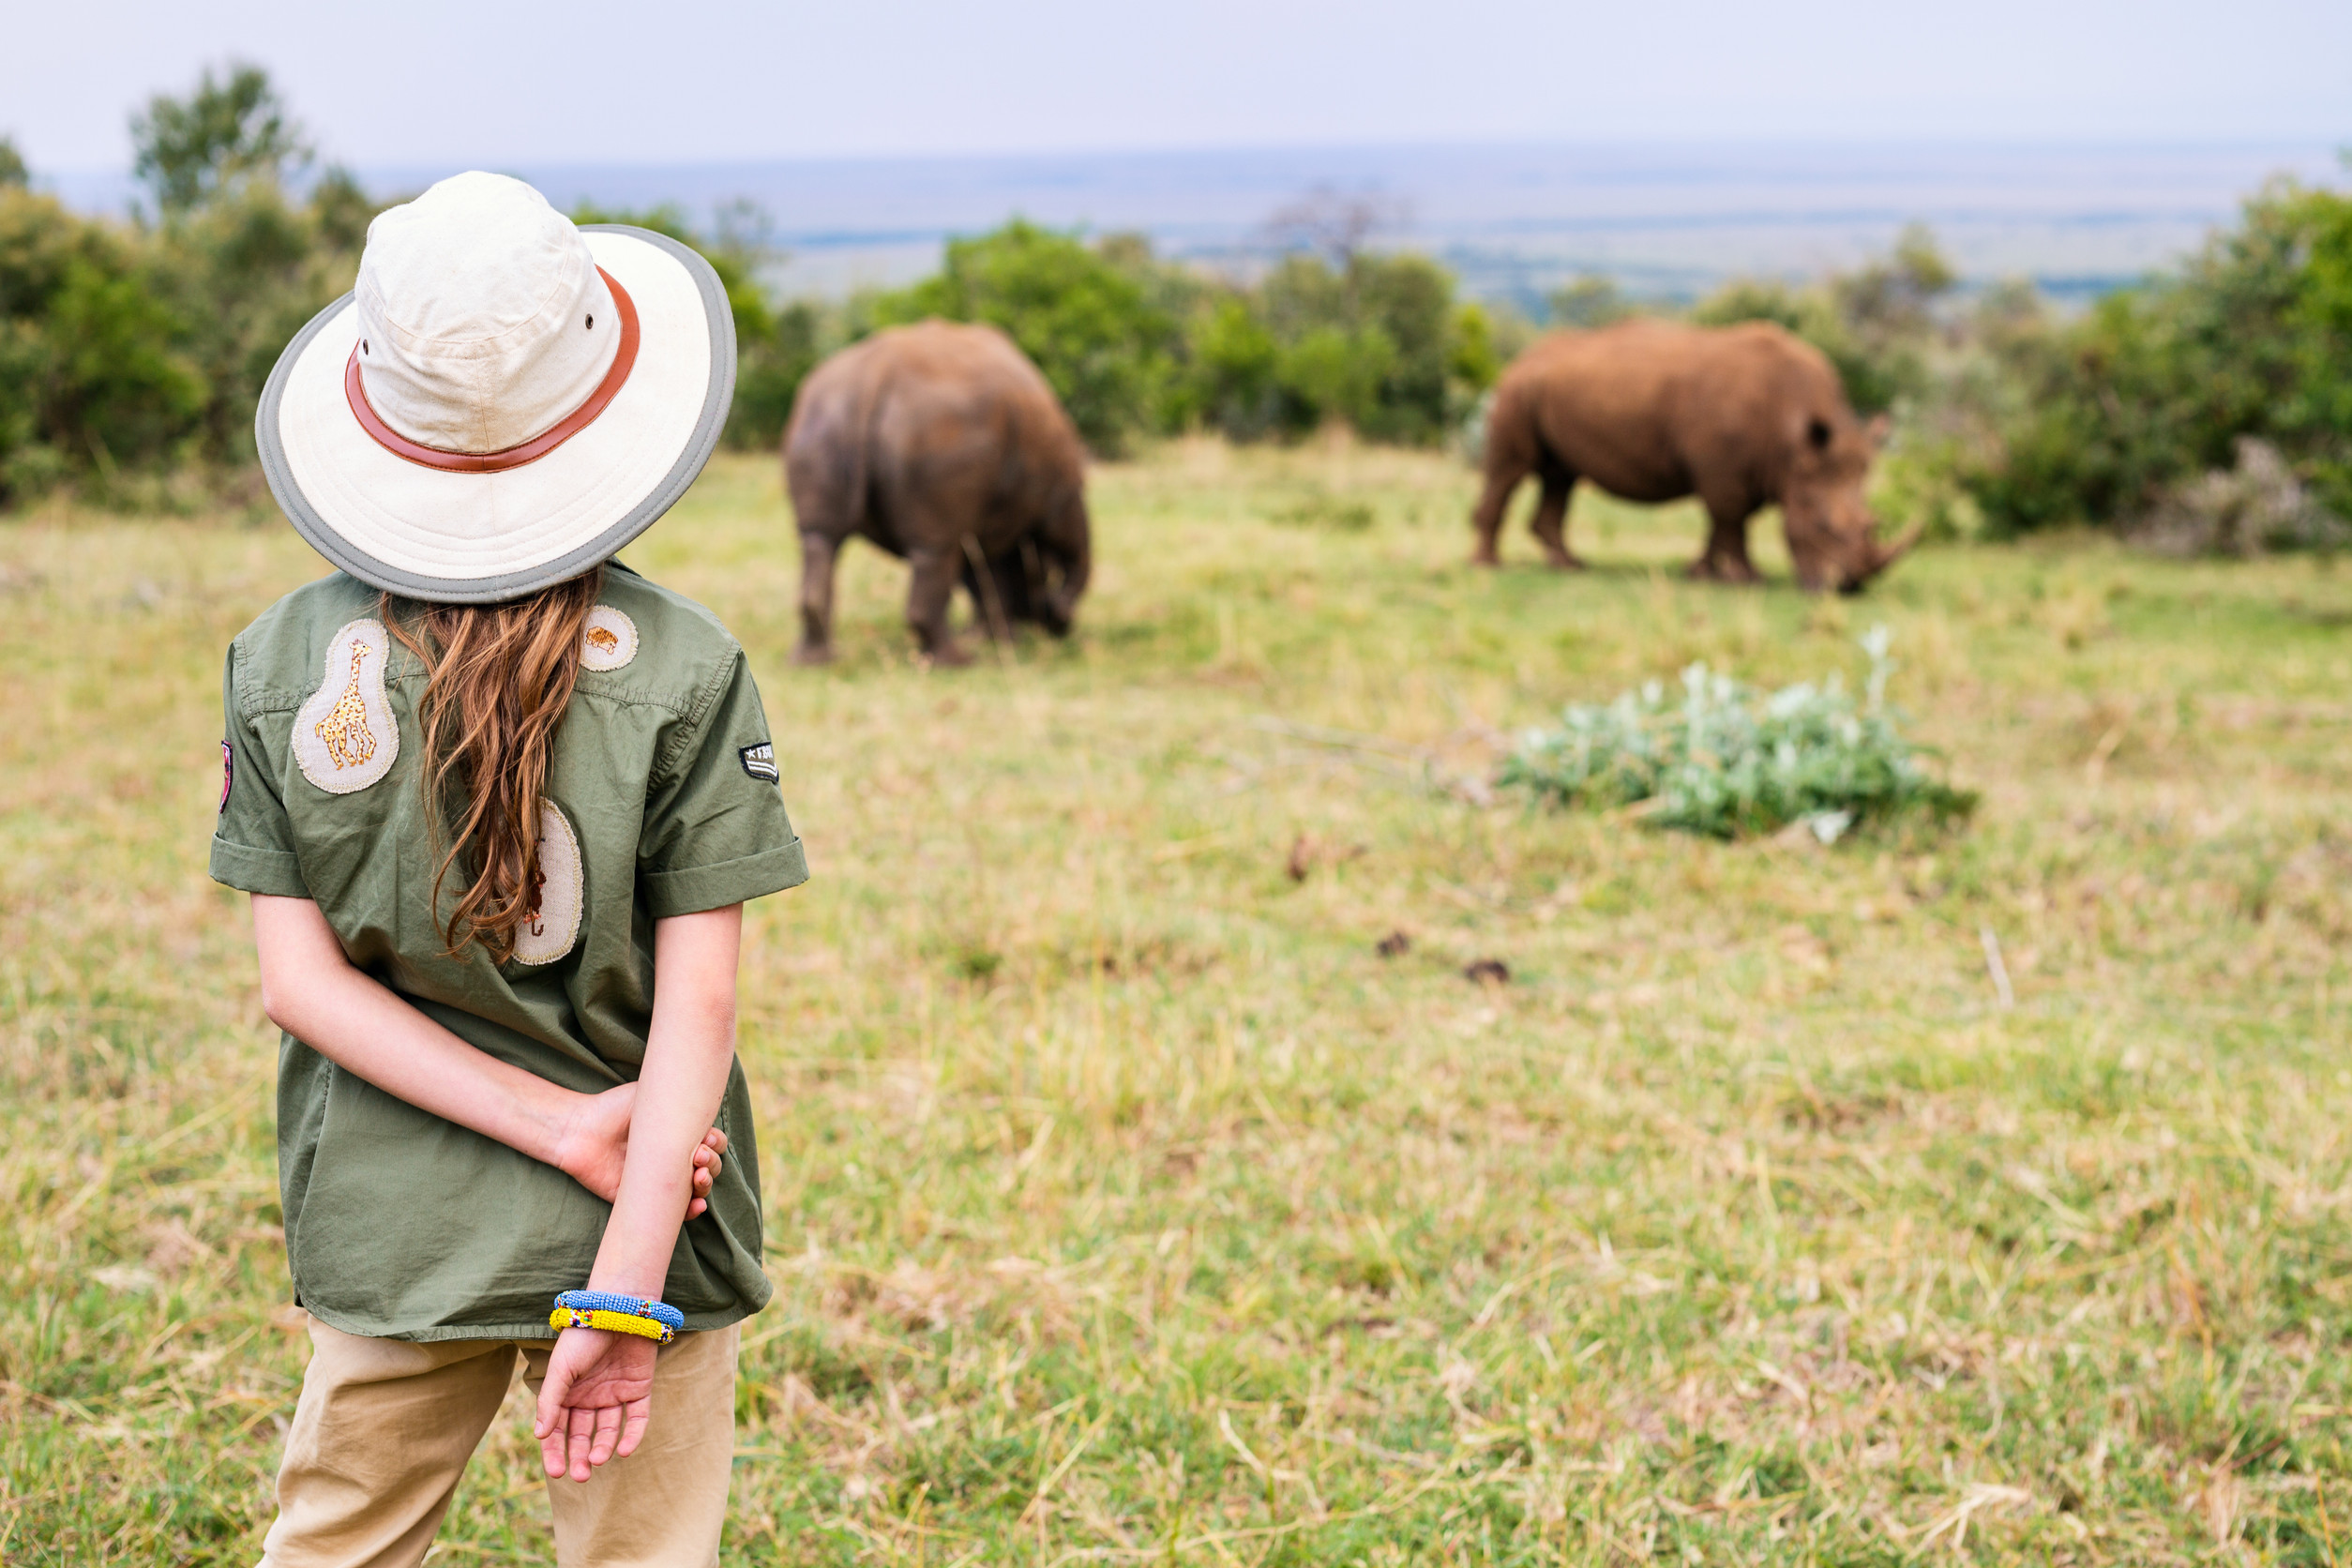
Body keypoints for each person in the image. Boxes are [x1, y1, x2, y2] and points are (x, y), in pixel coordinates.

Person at [210, 171, 807, 1567]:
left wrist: (548, 1129)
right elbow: (699, 1020)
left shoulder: (277, 663)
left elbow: (297, 987)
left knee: (337, 1544)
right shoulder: (690, 668)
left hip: (393, 1228)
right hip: (652, 1213)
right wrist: (625, 1293)